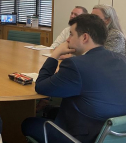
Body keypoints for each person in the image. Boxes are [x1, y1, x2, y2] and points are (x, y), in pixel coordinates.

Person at [22, 14, 126, 143]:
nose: (67, 40)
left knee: (29, 122)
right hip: (116, 135)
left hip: (82, 138)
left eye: (71, 34)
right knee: (52, 111)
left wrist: (55, 54)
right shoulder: (122, 60)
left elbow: (41, 87)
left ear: (84, 37)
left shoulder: (76, 65)